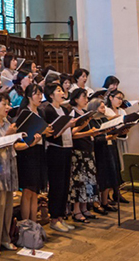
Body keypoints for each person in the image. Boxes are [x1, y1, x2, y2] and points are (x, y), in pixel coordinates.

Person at [0, 92, 37, 251]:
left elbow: (13, 146)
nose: (7, 107)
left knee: (8, 207)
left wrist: (30, 143)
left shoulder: (8, 123)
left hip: (10, 168)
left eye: (8, 104)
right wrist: (8, 135)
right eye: (4, 104)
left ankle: (5, 239)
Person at [42, 83, 74, 233]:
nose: (62, 92)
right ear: (51, 95)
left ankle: (61, 217)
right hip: (55, 150)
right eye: (59, 90)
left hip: (67, 147)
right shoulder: (48, 110)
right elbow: (53, 134)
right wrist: (67, 125)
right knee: (57, 184)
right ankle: (54, 218)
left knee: (65, 183)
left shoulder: (63, 109)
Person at [16, 84, 50, 224]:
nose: (40, 97)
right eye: (37, 94)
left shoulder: (41, 113)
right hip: (27, 152)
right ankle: (25, 224)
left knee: (35, 191)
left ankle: (34, 222)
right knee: (28, 190)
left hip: (39, 150)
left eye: (41, 94)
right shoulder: (24, 113)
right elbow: (21, 134)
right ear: (29, 96)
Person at [68, 88, 99, 223]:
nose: (86, 99)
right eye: (83, 97)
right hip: (78, 150)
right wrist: (87, 132)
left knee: (88, 180)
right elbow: (72, 134)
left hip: (88, 149)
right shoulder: (72, 113)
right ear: (75, 99)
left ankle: (85, 207)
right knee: (78, 181)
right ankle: (76, 211)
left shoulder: (85, 112)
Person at [88, 98, 120, 214]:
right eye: (101, 107)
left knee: (108, 175)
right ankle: (98, 203)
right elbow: (94, 138)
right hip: (98, 150)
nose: (103, 109)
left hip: (107, 148)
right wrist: (106, 137)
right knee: (100, 177)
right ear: (94, 108)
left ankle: (105, 201)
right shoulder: (91, 121)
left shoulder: (103, 119)